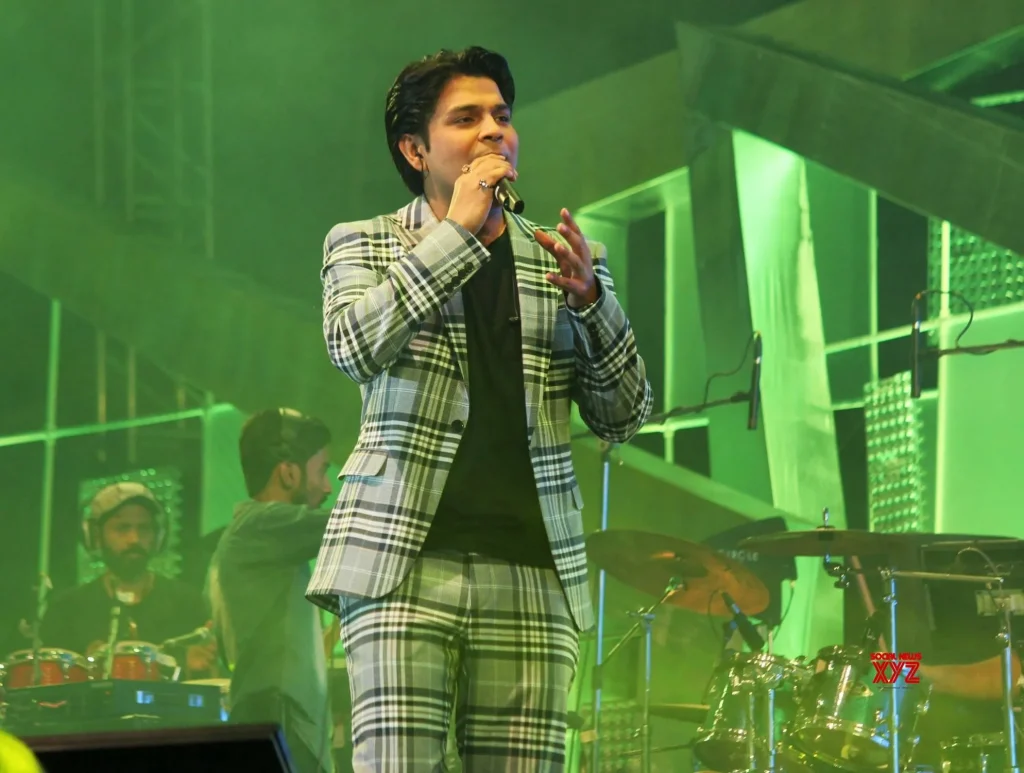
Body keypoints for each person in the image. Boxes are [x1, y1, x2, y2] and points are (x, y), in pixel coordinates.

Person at [305, 46, 652, 771]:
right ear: (415, 149)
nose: (494, 130)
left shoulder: (565, 258)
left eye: (502, 115)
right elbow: (353, 347)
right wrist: (456, 234)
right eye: (466, 118)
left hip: (534, 572)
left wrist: (594, 304)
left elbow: (624, 416)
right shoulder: (365, 242)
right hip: (401, 564)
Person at [207, 408, 337, 773]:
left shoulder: (262, 539)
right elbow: (358, 524)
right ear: (288, 472)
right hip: (279, 721)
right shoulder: (260, 525)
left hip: (280, 722)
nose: (328, 487)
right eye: (322, 470)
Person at [40, 481, 215, 677]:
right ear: (96, 536)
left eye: (144, 528)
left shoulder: (187, 603)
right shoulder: (67, 609)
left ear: (158, 537)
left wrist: (190, 664)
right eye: (122, 528)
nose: (134, 539)